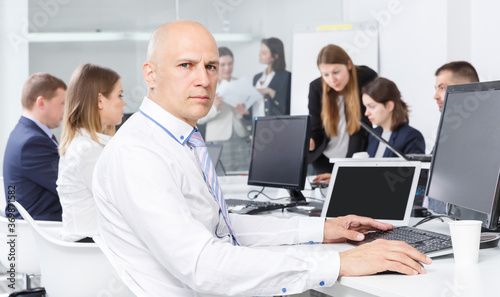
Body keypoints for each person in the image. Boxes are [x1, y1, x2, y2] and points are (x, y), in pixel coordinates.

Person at [92, 20, 430, 297]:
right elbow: (203, 265)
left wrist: (323, 229)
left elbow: (223, 228)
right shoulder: (139, 153)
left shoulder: (179, 141)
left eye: (211, 66)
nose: (205, 79)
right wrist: (339, 264)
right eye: (186, 65)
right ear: (150, 75)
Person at [56, 63, 125, 242]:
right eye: (120, 95)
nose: (124, 102)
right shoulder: (87, 151)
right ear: (100, 100)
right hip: (90, 250)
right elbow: (121, 203)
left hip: (92, 244)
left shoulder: (87, 145)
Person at [3, 73, 66, 221]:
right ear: (41, 103)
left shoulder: (24, 133)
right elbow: (68, 186)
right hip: (45, 231)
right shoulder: (32, 142)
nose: (65, 109)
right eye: (62, 103)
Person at [308, 44, 377, 175]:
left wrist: (346, 167)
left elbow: (361, 128)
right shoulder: (316, 88)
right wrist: (311, 142)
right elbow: (316, 130)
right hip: (323, 159)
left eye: (336, 72)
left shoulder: (366, 77)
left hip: (355, 156)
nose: (332, 80)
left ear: (349, 65)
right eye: (325, 75)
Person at [427, 61, 479, 213]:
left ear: (467, 87)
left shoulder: (487, 132)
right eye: (436, 88)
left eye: (442, 88)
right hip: (440, 219)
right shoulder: (449, 128)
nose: (435, 96)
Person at [197, 47, 251, 172]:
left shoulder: (240, 84)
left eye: (230, 63)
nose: (227, 68)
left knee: (244, 175)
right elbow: (198, 119)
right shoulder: (207, 86)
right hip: (218, 139)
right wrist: (215, 107)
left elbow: (248, 113)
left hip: (241, 137)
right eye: (223, 64)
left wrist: (242, 114)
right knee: (221, 178)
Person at [364, 77, 425, 157]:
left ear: (389, 106)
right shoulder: (373, 135)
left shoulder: (412, 137)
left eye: (371, 106)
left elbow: (412, 169)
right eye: (365, 107)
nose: (366, 113)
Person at [252, 37, 291, 116]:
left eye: (264, 53)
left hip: (272, 125)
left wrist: (271, 92)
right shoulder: (257, 77)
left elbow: (286, 107)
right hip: (255, 123)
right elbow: (252, 108)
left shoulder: (286, 77)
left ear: (275, 56)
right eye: (260, 52)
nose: (260, 55)